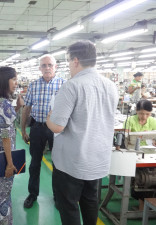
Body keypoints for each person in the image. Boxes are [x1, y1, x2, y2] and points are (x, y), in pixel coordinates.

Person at [46, 40, 118, 225]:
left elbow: (57, 126)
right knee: (90, 202)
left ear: (75, 60)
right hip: (97, 160)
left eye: (68, 61)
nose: (69, 66)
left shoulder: (72, 86)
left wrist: (49, 117)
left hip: (72, 163)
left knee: (69, 206)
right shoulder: (111, 86)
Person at [21, 54, 65, 208]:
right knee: (34, 163)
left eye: (50, 65)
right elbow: (26, 109)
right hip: (37, 128)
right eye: (44, 65)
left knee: (58, 164)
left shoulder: (64, 84)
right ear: (39, 68)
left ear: (55, 67)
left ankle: (58, 196)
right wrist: (23, 130)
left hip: (57, 130)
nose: (47, 68)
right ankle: (32, 194)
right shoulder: (33, 85)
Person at [0, 67, 23, 225]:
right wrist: (10, 163)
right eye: (13, 79)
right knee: (4, 191)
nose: (16, 82)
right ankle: (3, 221)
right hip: (4, 153)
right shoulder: (5, 104)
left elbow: (4, 120)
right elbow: (6, 137)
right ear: (5, 80)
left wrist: (18, 107)